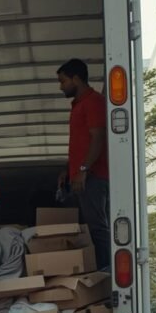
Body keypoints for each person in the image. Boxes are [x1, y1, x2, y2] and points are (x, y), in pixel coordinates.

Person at [57, 58, 110, 270]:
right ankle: (101, 270)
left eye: (63, 81)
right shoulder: (79, 105)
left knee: (98, 227)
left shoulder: (93, 102)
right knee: (93, 226)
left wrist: (82, 170)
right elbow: (81, 144)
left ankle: (106, 274)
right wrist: (67, 170)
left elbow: (97, 138)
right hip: (85, 175)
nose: (61, 87)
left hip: (94, 177)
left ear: (76, 79)